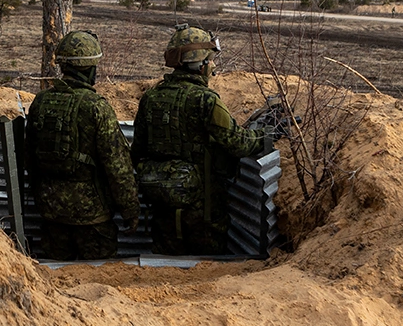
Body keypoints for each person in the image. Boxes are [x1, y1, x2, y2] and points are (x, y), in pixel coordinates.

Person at [131, 25, 265, 255]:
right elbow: (238, 143)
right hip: (203, 210)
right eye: (210, 60)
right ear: (199, 65)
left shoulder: (151, 97)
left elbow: (137, 151)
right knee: (207, 267)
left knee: (165, 264)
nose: (213, 66)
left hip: (163, 206)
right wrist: (266, 136)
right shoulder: (206, 100)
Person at [25, 31, 140, 261]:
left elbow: (30, 157)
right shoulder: (96, 107)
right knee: (97, 276)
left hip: (51, 212)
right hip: (92, 217)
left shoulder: (41, 102)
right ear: (89, 69)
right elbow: (118, 167)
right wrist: (130, 210)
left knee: (54, 276)